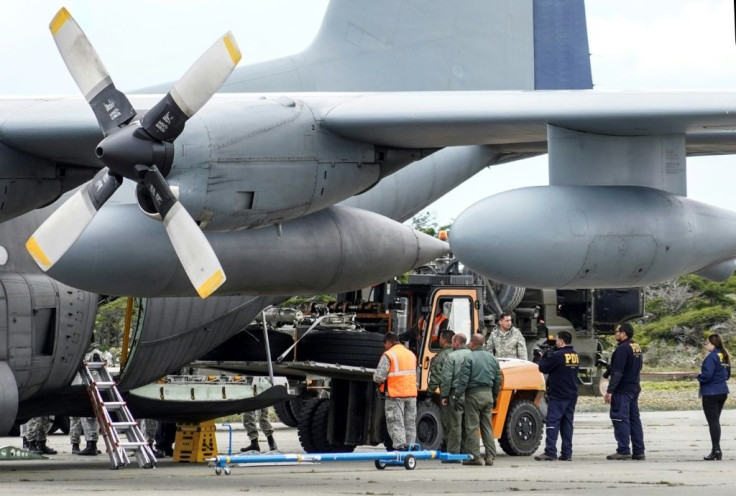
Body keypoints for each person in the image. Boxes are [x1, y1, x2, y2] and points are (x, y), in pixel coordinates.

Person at [452, 333, 501, 466]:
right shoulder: (492, 358)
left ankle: (475, 457)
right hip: (488, 394)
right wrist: (495, 396)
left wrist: (457, 396)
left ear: (473, 343)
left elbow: (463, 380)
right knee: (487, 426)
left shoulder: (469, 358)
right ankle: (490, 455)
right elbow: (498, 380)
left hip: (473, 395)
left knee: (472, 427)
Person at [534, 330, 579, 461]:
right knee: (567, 423)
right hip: (571, 393)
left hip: (558, 394)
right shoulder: (575, 355)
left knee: (552, 422)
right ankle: (567, 453)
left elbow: (542, 368)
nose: (556, 342)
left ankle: (550, 451)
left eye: (557, 340)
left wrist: (543, 356)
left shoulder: (558, 355)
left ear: (561, 341)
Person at [605, 322, 645, 460]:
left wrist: (610, 390)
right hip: (634, 387)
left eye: (617, 331)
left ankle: (623, 449)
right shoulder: (636, 347)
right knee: (634, 420)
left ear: (623, 333)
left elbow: (618, 371)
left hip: (622, 390)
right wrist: (606, 373)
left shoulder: (622, 349)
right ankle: (639, 450)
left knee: (619, 418)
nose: (615, 334)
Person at [373, 332, 418, 451]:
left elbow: (379, 377)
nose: (385, 347)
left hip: (395, 394)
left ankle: (400, 449)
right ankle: (410, 448)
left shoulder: (389, 355)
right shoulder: (411, 354)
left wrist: (376, 379)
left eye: (385, 344)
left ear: (388, 342)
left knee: (395, 422)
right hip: (411, 394)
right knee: (409, 423)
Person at [698, 333, 731, 461]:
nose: (706, 345)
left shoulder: (711, 357)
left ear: (713, 343)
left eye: (707, 343)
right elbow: (727, 374)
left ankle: (716, 449)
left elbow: (707, 375)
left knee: (713, 422)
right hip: (722, 391)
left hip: (711, 392)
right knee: (716, 421)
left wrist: (699, 377)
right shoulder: (723, 355)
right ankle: (716, 449)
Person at [439, 333, 471, 460]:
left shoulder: (451, 356)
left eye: (453, 342)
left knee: (455, 424)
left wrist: (444, 395)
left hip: (455, 393)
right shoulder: (472, 355)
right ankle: (466, 452)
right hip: (470, 393)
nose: (452, 345)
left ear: (457, 342)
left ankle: (453, 454)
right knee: (467, 423)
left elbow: (446, 378)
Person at [427, 329, 455, 448]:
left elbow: (436, 378)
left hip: (447, 394)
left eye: (440, 338)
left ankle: (448, 448)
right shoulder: (463, 354)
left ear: (444, 340)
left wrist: (428, 394)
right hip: (464, 393)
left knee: (447, 421)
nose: (439, 340)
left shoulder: (441, 356)